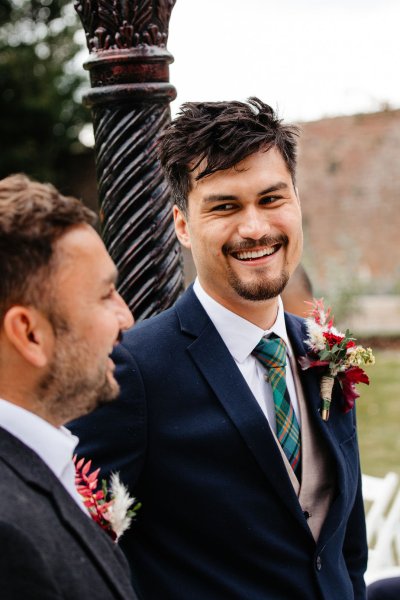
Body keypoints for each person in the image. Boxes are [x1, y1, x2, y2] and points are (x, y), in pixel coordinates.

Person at [70, 98, 368, 599]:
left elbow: (346, 546)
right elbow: (76, 552)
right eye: (225, 206)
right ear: (183, 226)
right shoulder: (132, 370)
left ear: (296, 201)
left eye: (272, 199)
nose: (255, 228)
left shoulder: (328, 353)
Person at [0, 174, 138, 599]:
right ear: (30, 334)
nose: (127, 318)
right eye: (104, 296)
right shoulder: (9, 536)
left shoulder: (42, 465)